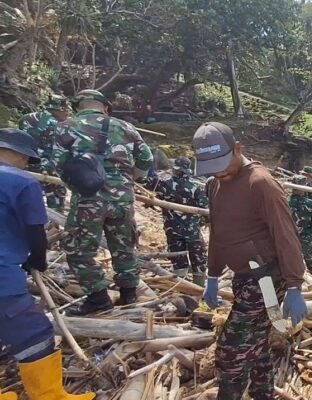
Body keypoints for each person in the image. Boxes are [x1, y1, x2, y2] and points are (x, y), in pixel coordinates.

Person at [192, 122, 308, 399]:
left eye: (221, 165)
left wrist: (294, 285)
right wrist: (212, 275)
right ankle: (262, 393)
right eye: (211, 167)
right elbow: (218, 232)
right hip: (244, 277)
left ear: (237, 149)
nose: (219, 172)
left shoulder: (261, 183)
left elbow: (286, 235)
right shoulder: (215, 185)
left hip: (266, 279)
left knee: (230, 350)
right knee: (256, 342)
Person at [0, 128, 95, 400]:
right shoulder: (21, 182)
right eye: (25, 158)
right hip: (3, 276)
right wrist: (37, 259)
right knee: (34, 332)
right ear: (15, 153)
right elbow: (35, 231)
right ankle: (49, 395)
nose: (26, 163)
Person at [52, 89, 154, 314]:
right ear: (105, 107)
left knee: (79, 250)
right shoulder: (126, 127)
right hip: (123, 199)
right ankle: (129, 296)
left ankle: (98, 298)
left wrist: (76, 185)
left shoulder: (66, 127)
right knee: (124, 247)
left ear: (77, 107)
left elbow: (59, 163)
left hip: (88, 198)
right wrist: (130, 178)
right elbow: (146, 158)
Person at [142, 157, 208, 286]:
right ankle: (199, 287)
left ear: (175, 170)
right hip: (192, 231)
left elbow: (145, 181)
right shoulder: (196, 187)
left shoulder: (164, 184)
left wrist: (147, 165)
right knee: (198, 257)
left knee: (178, 258)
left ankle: (182, 286)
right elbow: (205, 209)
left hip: (172, 229)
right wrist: (202, 222)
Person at [18, 94, 70, 211]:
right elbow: (61, 150)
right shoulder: (61, 125)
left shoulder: (26, 118)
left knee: (27, 200)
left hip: (26, 165)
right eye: (66, 110)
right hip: (49, 169)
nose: (67, 114)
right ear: (60, 109)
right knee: (55, 202)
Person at [288, 175, 312, 281]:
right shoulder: (311, 203)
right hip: (307, 238)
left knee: (290, 262)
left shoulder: (285, 202)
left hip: (289, 238)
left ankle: (292, 284)